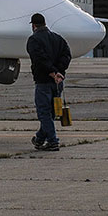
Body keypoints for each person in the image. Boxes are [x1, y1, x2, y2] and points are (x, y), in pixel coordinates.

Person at [26, 13, 71, 151]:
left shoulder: (34, 40)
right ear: (45, 23)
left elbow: (39, 59)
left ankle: (53, 141)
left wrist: (52, 72)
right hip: (58, 82)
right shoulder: (58, 38)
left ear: (33, 25)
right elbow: (67, 55)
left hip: (43, 81)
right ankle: (39, 139)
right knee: (51, 113)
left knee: (44, 112)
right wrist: (59, 72)